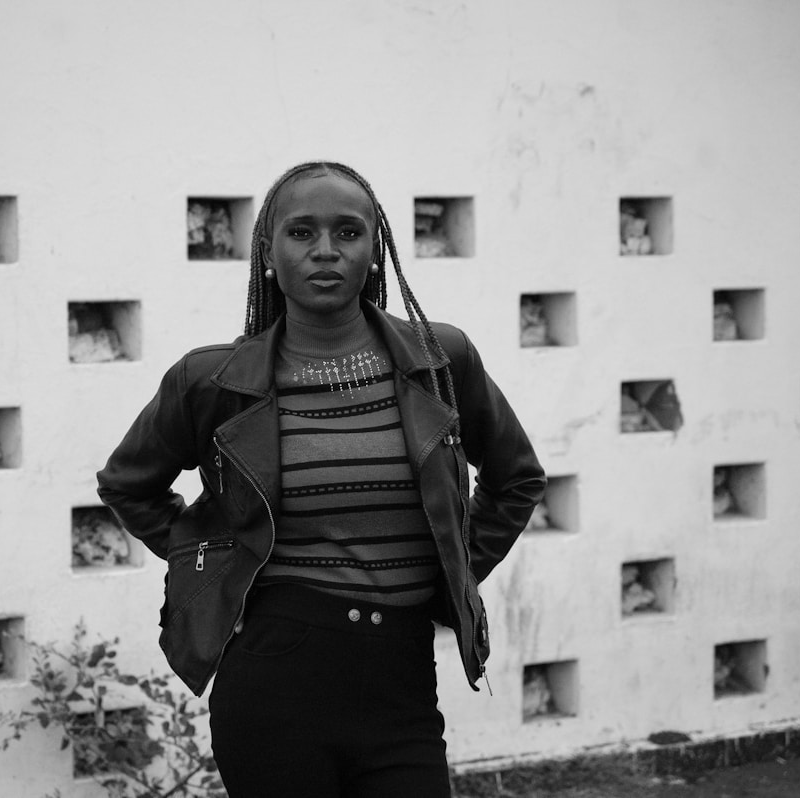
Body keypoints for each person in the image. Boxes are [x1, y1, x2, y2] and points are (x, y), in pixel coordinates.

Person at [97, 161, 545, 797]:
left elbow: (517, 478)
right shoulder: (211, 382)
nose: (326, 251)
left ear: (375, 249)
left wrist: (456, 568)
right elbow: (127, 485)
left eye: (348, 231)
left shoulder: (441, 361)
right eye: (301, 233)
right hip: (276, 676)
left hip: (403, 682)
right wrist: (220, 568)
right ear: (269, 254)